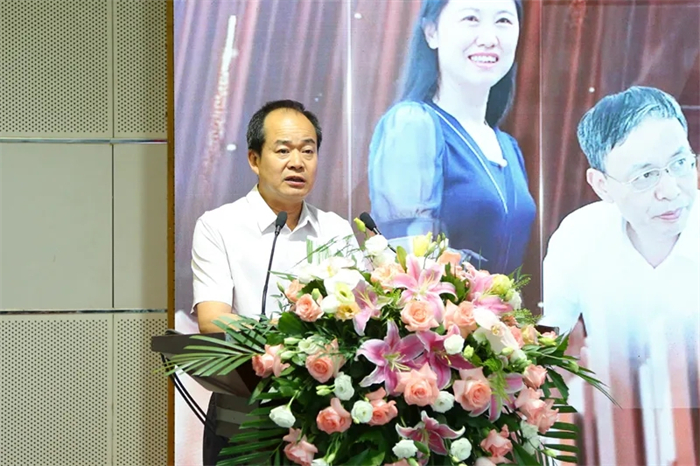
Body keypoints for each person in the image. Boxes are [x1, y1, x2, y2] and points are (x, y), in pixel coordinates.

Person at [190, 99, 358, 465]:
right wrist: (292, 342)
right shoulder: (219, 226)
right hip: (244, 417)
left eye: (308, 151)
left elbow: (357, 316)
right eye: (283, 150)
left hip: (323, 418)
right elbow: (212, 319)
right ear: (254, 159)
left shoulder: (336, 230)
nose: (297, 162)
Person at [541, 86, 699, 465]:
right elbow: (543, 347)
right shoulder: (579, 237)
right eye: (645, 176)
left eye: (680, 163)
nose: (670, 190)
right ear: (602, 186)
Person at [367, 0, 535, 275]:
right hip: (435, 303)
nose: (489, 38)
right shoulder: (412, 124)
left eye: (503, 21)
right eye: (471, 19)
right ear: (431, 32)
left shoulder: (508, 147)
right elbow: (407, 263)